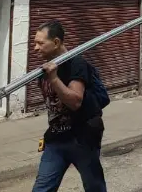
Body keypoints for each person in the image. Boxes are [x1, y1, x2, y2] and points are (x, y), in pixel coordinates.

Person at [32, 20, 107, 192]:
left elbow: (75, 101)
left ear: (56, 42)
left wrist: (54, 79)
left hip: (82, 138)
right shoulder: (45, 69)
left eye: (40, 43)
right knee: (42, 189)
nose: (35, 48)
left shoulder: (76, 64)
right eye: (35, 43)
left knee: (94, 187)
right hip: (56, 138)